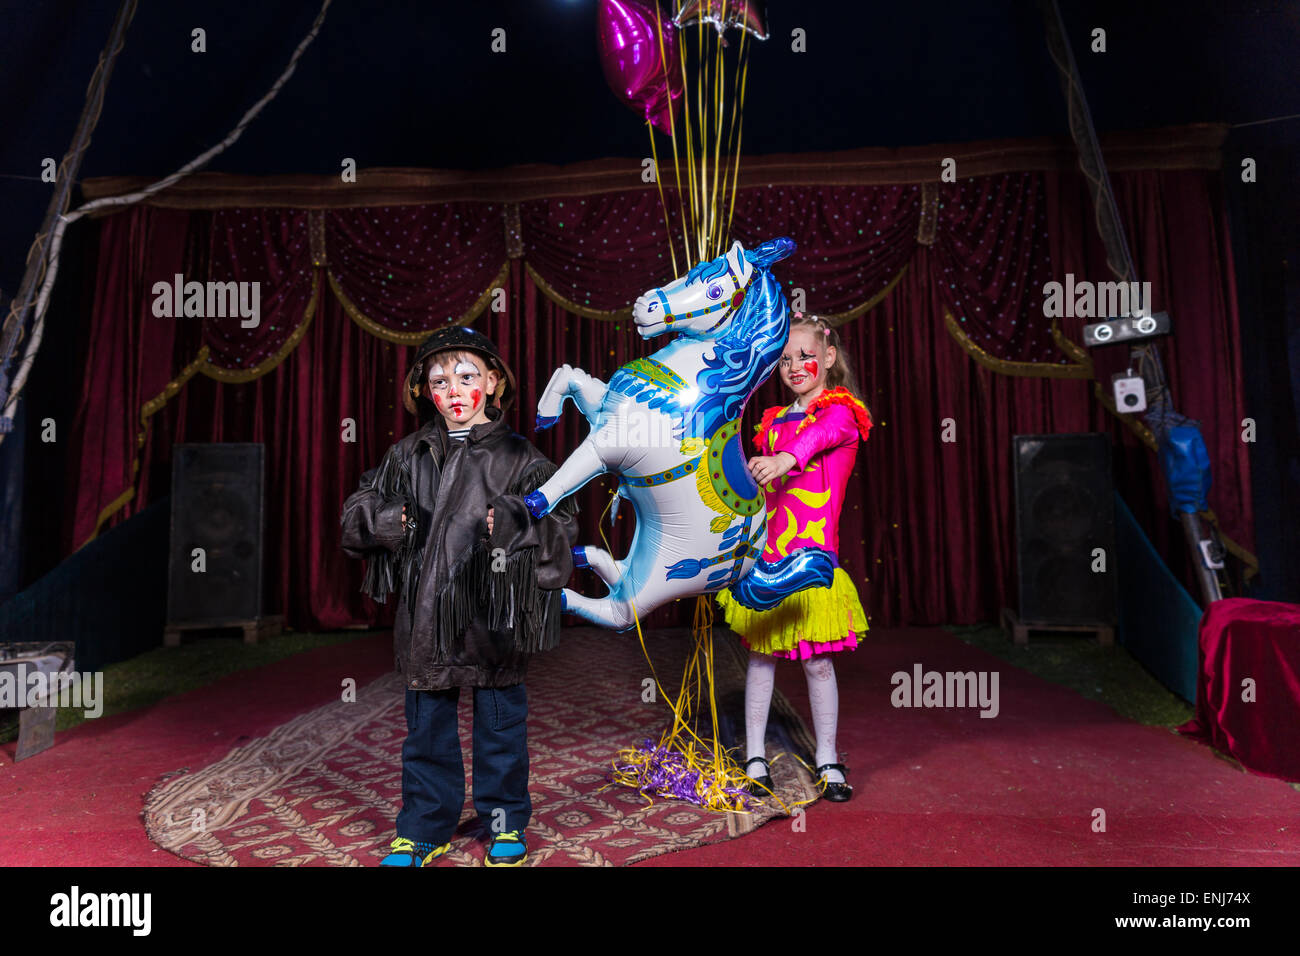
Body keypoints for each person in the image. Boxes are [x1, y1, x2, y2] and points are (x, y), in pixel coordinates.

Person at [340, 326, 578, 866]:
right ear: (424, 390)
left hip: (493, 617)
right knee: (426, 733)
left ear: (493, 383)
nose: (454, 389)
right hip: (427, 619)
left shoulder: (523, 459)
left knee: (500, 729)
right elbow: (355, 513)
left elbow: (563, 525)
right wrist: (385, 520)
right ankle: (424, 827)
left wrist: (518, 521)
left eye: (468, 376)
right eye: (439, 379)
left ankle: (504, 821)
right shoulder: (407, 455)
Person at [715, 313, 872, 802]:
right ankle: (755, 755)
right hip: (767, 558)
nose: (795, 365)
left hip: (812, 560)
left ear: (828, 357)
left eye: (806, 355)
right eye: (785, 360)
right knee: (761, 658)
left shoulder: (842, 413)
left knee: (818, 664)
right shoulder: (772, 421)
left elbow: (818, 437)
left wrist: (785, 459)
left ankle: (827, 758)